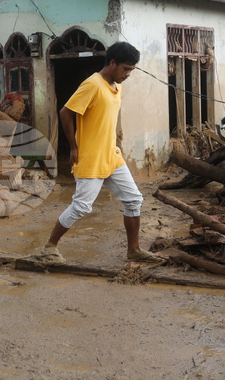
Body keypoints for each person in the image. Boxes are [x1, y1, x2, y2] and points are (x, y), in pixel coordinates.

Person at [40, 41, 160, 263]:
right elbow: (66, 112)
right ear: (112, 63)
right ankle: (49, 247)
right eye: (126, 69)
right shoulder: (92, 84)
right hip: (91, 158)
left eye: (131, 70)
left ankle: (133, 250)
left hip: (112, 156)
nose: (128, 74)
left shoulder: (117, 87)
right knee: (81, 207)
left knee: (134, 200)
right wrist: (73, 147)